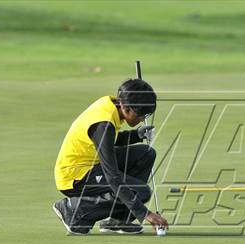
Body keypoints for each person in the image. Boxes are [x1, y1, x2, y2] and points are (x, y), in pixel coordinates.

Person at [52, 78, 168, 235]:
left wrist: (136, 134)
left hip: (92, 164)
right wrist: (145, 214)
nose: (142, 119)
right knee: (142, 192)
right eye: (140, 115)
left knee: (146, 154)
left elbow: (109, 140)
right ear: (126, 109)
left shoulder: (112, 105)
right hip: (74, 176)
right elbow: (112, 177)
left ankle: (118, 220)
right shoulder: (104, 123)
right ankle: (73, 210)